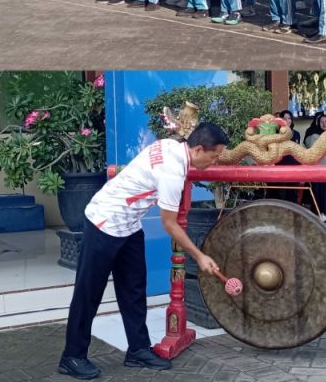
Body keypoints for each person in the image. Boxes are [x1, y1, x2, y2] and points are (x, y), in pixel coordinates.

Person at [59, 123, 230, 380]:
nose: (214, 163)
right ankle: (72, 356)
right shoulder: (173, 172)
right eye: (213, 156)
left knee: (134, 289)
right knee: (88, 293)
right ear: (197, 149)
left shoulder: (171, 145)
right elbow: (170, 223)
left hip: (129, 225)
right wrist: (200, 255)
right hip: (104, 221)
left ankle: (137, 349)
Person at [304, 113, 326, 222]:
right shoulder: (313, 135)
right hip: (319, 168)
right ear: (317, 123)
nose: (324, 124)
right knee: (320, 191)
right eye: (322, 122)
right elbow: (311, 147)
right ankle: (320, 213)